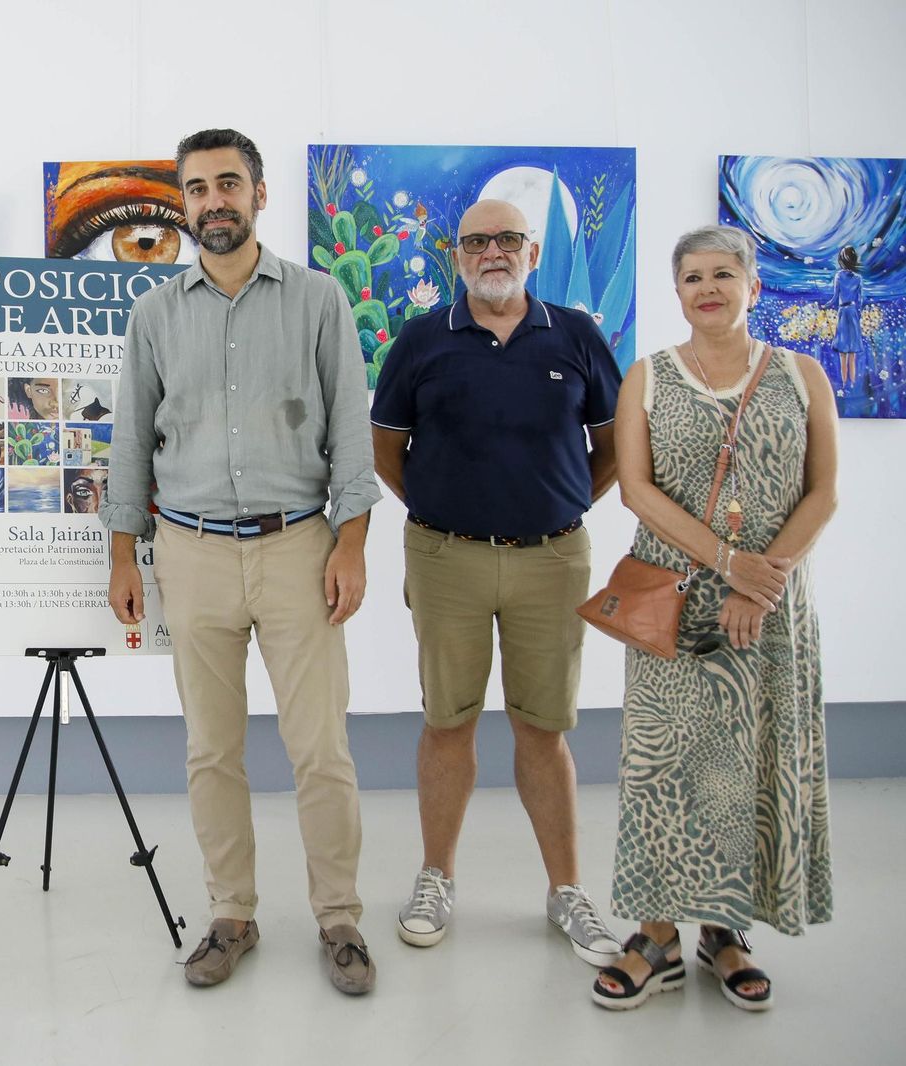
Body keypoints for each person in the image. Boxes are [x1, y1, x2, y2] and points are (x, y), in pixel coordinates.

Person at [103, 128, 381, 996]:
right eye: (196, 188)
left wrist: (352, 543)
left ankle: (339, 919)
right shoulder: (155, 313)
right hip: (188, 553)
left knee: (321, 750)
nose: (213, 201)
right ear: (182, 204)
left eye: (230, 184)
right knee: (211, 751)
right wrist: (123, 556)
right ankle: (231, 913)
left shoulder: (318, 297)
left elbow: (349, 429)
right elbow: (128, 442)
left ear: (260, 194)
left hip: (300, 546)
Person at [370, 198, 624, 968]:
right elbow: (387, 452)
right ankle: (435, 877)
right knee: (448, 722)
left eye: (506, 238)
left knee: (542, 730)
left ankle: (567, 892)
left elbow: (611, 447)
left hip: (554, 558)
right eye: (475, 241)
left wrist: (562, 503)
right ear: (457, 257)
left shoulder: (576, 335)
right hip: (447, 559)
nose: (491, 252)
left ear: (532, 251)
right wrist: (446, 510)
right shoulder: (422, 340)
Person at [592, 225, 837, 1011]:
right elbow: (635, 489)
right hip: (677, 607)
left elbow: (822, 493)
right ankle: (656, 934)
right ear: (678, 293)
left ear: (753, 287)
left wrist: (758, 586)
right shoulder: (650, 377)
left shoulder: (803, 376)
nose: (708, 287)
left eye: (724, 274)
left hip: (769, 611)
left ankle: (725, 933)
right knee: (665, 773)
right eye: (692, 276)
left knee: (745, 771)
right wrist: (729, 567)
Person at [832, 244, 865, 388]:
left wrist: (825, 306)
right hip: (853, 313)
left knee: (842, 354)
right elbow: (861, 300)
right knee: (852, 354)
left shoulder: (838, 276)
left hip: (843, 312)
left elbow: (834, 298)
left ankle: (845, 384)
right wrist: (859, 314)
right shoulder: (858, 278)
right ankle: (852, 384)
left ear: (841, 260)